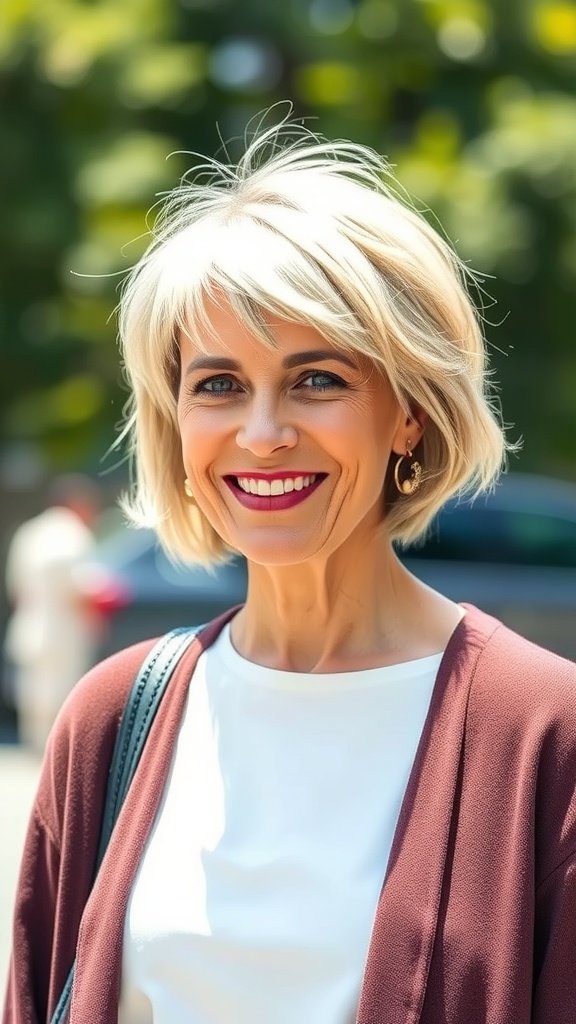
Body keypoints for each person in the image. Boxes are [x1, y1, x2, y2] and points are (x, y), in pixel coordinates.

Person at [4, 115, 576, 1024]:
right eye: (218, 385)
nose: (261, 433)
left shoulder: (549, 737)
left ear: (411, 414)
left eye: (317, 380)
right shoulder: (111, 721)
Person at [3, 474, 101, 753]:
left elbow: (16, 587)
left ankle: (38, 752)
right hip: (64, 628)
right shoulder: (74, 534)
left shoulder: (29, 532)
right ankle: (57, 757)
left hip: (30, 624)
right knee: (62, 694)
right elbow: (82, 588)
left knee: (33, 695)